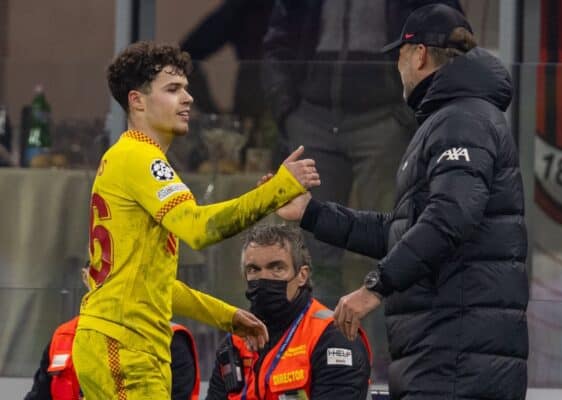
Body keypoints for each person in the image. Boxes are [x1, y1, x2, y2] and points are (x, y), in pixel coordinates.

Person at [276, 4, 529, 400]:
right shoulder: (449, 118)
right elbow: (402, 231)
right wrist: (312, 212)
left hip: (456, 363)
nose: (397, 67)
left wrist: (374, 287)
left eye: (399, 55)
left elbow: (448, 219)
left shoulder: (461, 120)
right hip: (444, 357)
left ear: (421, 54)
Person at [72, 41, 320, 399]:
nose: (188, 98)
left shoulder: (129, 156)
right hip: (126, 344)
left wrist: (226, 316)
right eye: (173, 89)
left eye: (186, 88)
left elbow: (156, 285)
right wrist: (279, 188)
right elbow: (199, 228)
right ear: (137, 101)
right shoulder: (141, 157)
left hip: (118, 340)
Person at [262, 0, 464, 307]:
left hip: (384, 118)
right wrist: (287, 108)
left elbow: (449, 31)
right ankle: (319, 347)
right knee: (313, 252)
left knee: (395, 238)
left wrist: (408, 112)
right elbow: (278, 37)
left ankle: (386, 351)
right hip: (311, 114)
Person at [206, 224, 371, 400]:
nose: (264, 278)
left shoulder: (335, 336)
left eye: (277, 268)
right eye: (254, 269)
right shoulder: (234, 342)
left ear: (302, 275)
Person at [25, 265, 201, 400]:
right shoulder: (63, 338)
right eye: (98, 268)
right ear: (85, 276)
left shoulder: (170, 340)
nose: (106, 279)